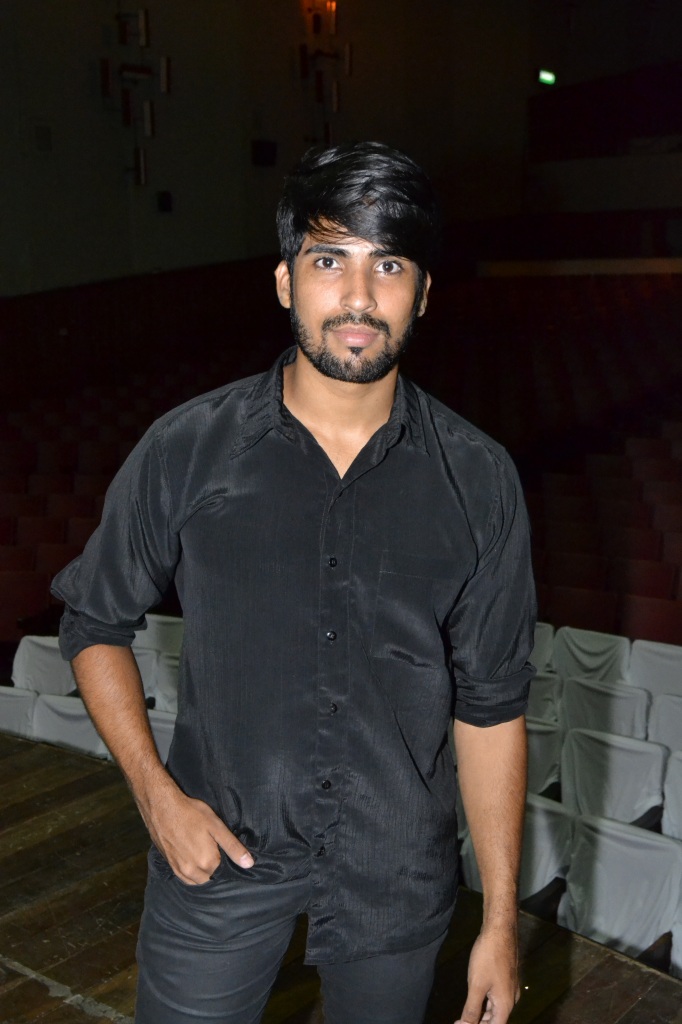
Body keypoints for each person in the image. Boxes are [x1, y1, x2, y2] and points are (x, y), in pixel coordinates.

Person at [52, 141, 536, 1024]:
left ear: (424, 291)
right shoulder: (189, 447)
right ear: (285, 281)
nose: (359, 297)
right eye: (328, 261)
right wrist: (157, 798)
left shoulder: (480, 478)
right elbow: (93, 621)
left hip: (396, 875)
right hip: (218, 856)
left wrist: (500, 920)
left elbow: (493, 706)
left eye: (388, 264)